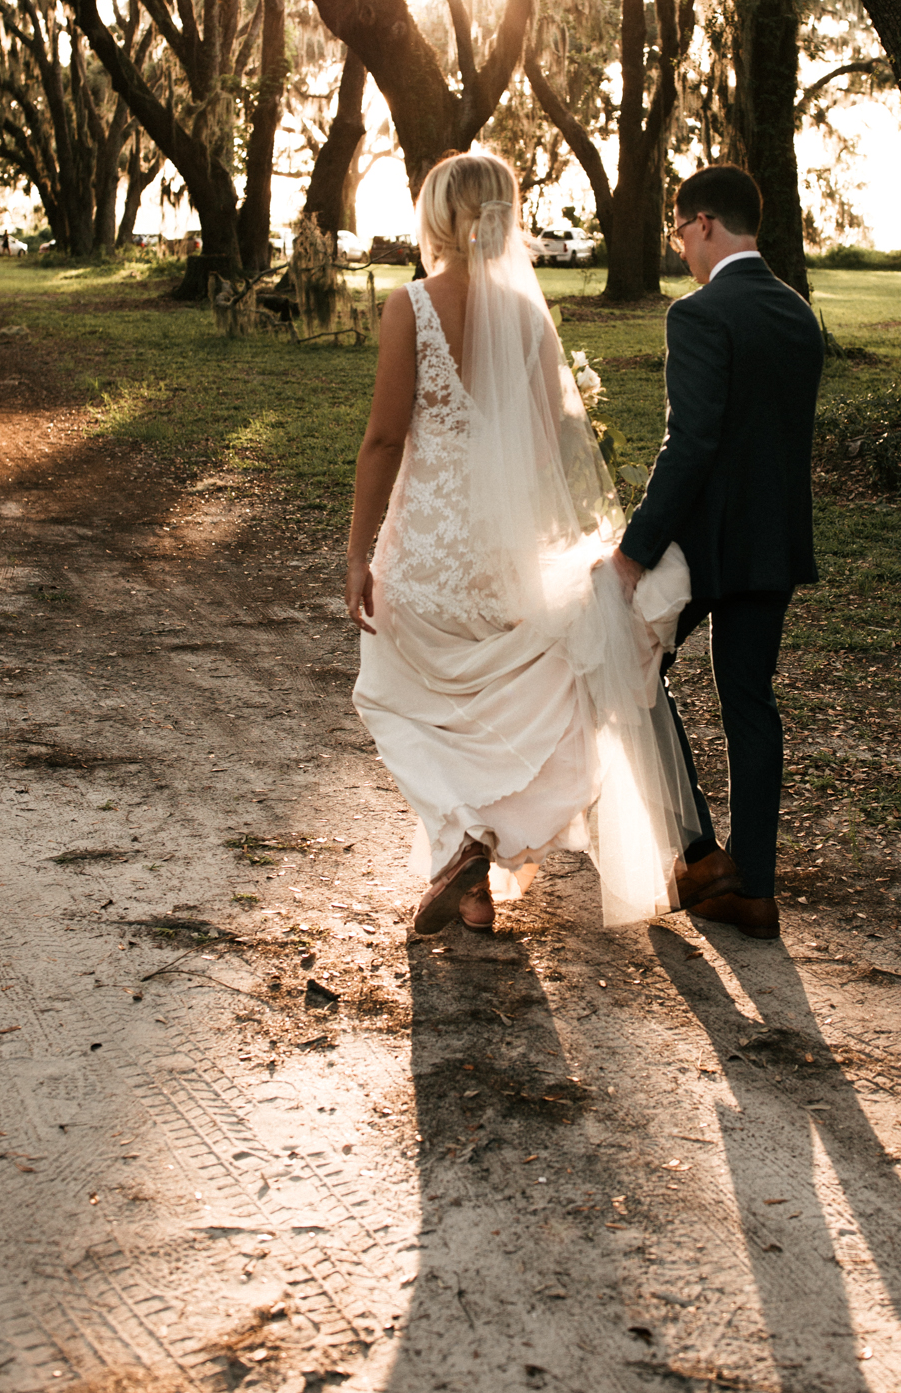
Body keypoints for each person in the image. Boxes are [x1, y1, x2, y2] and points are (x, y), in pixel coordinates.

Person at [347, 151, 697, 935]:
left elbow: (381, 440)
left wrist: (356, 554)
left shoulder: (411, 306)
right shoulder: (529, 315)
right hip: (501, 552)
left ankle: (464, 845)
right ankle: (473, 886)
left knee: (404, 700)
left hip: (425, 551)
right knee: (490, 707)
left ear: (438, 214)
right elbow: (548, 448)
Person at [613, 165, 823, 939]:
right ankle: (756, 889)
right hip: (773, 542)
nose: (680, 250)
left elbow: (690, 444)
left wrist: (637, 548)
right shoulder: (798, 313)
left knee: (633, 668)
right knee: (750, 704)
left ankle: (701, 853)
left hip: (704, 545)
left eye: (679, 232)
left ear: (703, 223)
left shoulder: (699, 314)